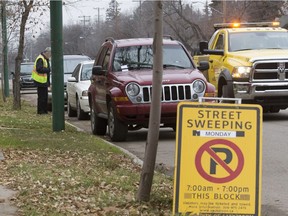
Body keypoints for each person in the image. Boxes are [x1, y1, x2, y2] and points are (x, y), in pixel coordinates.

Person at [32, 47, 51, 114]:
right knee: (42, 97)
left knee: (44, 97)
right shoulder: (41, 58)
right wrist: (48, 70)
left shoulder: (44, 58)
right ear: (46, 53)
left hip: (43, 81)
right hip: (40, 81)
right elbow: (39, 69)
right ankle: (41, 111)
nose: (50, 56)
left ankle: (44, 111)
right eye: (50, 54)